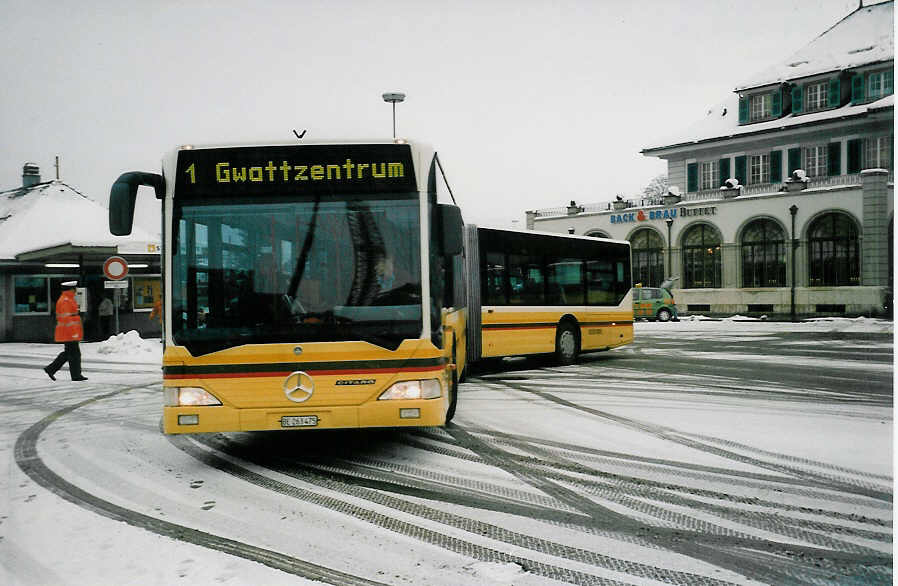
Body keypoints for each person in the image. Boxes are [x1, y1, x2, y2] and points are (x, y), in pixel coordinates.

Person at [44, 281, 88, 381]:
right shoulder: (65, 300)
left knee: (69, 353)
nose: (76, 290)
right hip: (68, 332)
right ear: (71, 289)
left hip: (68, 332)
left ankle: (51, 369)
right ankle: (76, 375)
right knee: (74, 354)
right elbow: (66, 318)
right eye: (75, 288)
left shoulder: (68, 299)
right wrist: (73, 332)